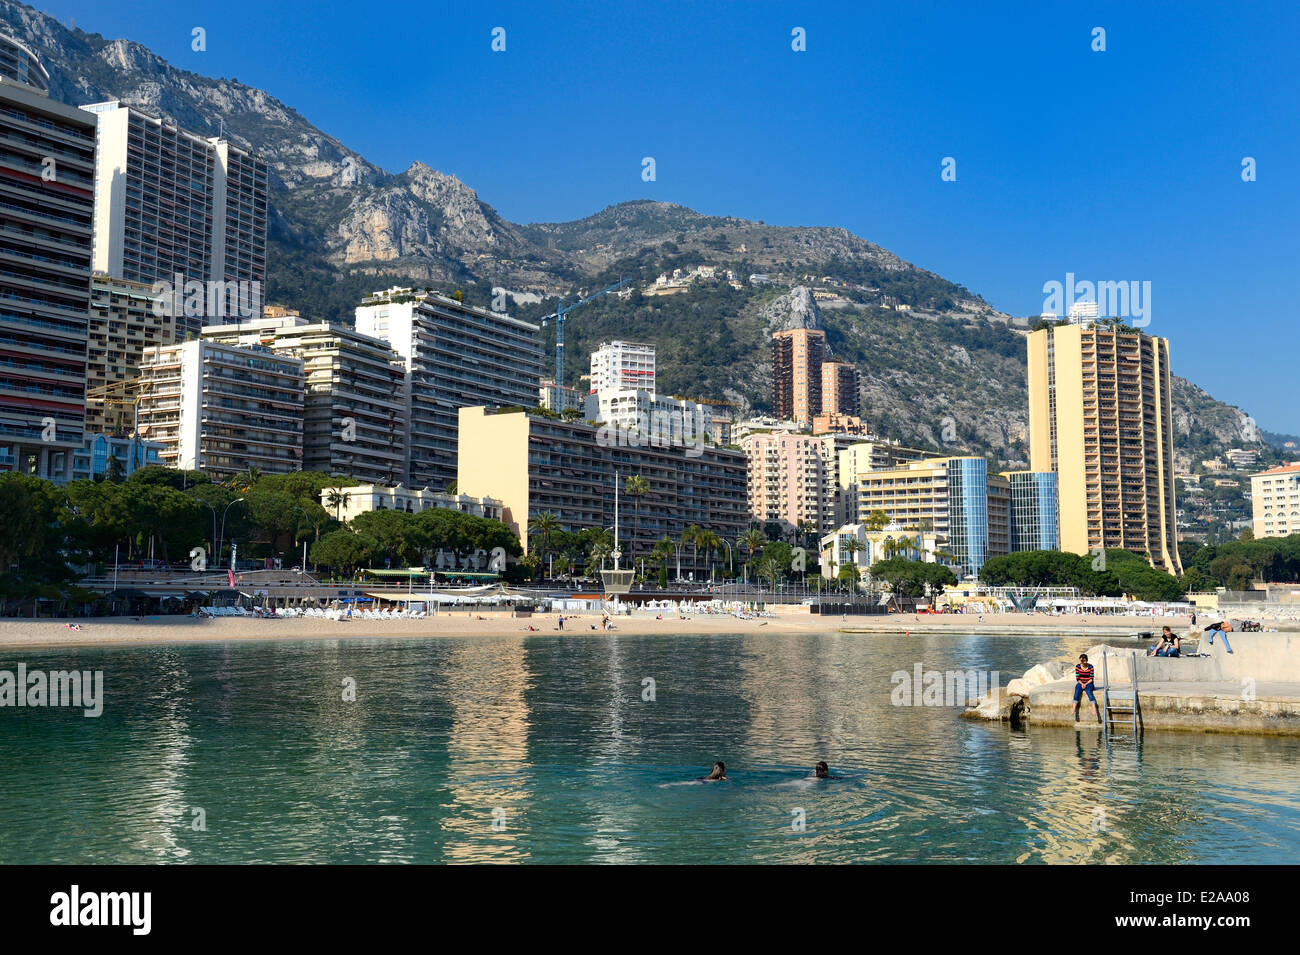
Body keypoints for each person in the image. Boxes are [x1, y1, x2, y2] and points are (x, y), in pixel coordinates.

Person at [1072, 653, 1101, 723]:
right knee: (1077, 691)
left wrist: (1086, 684)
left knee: (1089, 691)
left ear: (1086, 660)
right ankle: (1074, 708)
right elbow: (1077, 678)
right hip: (1080, 683)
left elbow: (1091, 678)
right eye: (1081, 661)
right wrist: (1082, 684)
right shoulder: (1078, 666)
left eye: (1084, 661)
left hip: (1089, 683)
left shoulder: (1090, 666)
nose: (1082, 663)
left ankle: (1094, 708)